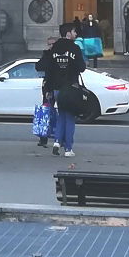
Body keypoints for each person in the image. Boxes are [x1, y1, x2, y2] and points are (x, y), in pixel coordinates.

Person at [38, 26, 87, 158]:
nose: (75, 33)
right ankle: (68, 148)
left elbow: (48, 70)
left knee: (61, 116)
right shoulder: (74, 48)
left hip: (56, 89)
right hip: (70, 88)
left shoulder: (54, 48)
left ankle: (57, 142)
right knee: (70, 118)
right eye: (74, 31)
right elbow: (82, 67)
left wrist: (48, 89)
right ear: (68, 33)